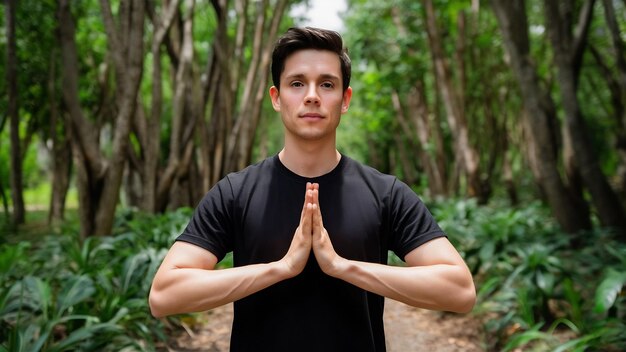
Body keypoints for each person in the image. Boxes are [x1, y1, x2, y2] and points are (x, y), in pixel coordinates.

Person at [149, 26, 475, 352]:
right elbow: (164, 295)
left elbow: (459, 291)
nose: (312, 95)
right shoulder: (234, 192)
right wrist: (281, 269)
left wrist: (342, 267)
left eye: (327, 84)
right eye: (297, 83)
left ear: (345, 100)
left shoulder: (386, 193)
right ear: (276, 98)